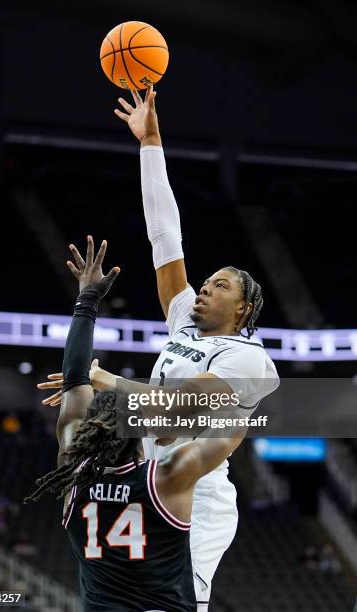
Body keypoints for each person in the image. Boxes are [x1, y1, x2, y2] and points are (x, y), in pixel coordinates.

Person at [40, 87, 280, 610]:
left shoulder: (249, 359)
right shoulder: (183, 323)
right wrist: (151, 142)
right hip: (143, 478)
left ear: (241, 311)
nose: (204, 289)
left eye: (219, 286)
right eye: (206, 281)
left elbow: (176, 410)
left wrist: (100, 383)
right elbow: (164, 235)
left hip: (194, 492)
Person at [28, 236, 244, 612]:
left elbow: (75, 383)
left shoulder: (73, 478)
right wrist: (88, 300)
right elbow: (239, 418)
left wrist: (87, 302)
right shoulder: (163, 480)